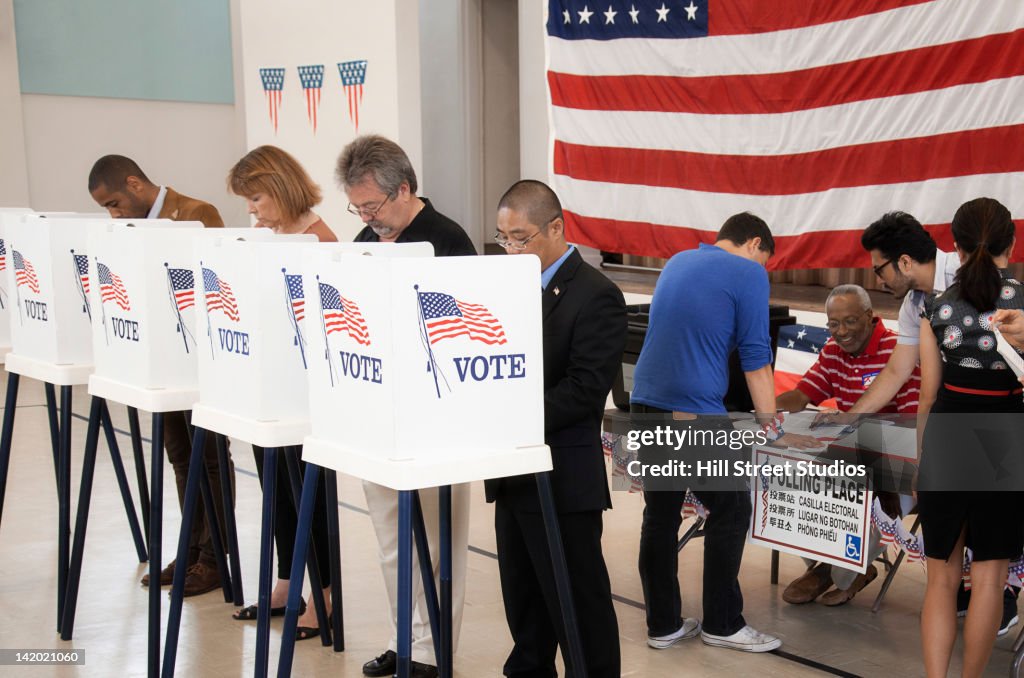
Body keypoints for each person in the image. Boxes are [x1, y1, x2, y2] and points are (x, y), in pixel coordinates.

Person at [630, 213, 819, 653]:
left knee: (660, 515)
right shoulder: (749, 271)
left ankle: (663, 626)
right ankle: (722, 623)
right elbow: (755, 357)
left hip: (644, 398)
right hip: (692, 410)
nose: (763, 271)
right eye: (766, 261)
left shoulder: (678, 260)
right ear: (755, 243)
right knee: (732, 508)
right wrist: (773, 428)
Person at [336, 134, 475, 678]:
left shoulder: (447, 240)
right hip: (379, 415)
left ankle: (432, 652)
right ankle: (405, 639)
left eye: (373, 205)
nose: (367, 217)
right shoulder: (363, 240)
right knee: (392, 540)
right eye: (359, 207)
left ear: (405, 189)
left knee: (439, 547)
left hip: (435, 418)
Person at [838, 212, 1019, 630]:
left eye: (879, 268)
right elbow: (898, 372)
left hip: (997, 431)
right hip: (952, 431)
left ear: (903, 262)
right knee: (949, 561)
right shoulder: (914, 304)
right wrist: (847, 419)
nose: (877, 279)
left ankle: (1001, 593)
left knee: (991, 552)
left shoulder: (973, 271)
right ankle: (971, 591)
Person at [485, 180, 625, 677]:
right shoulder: (508, 288)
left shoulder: (597, 296)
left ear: (556, 228)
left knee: (577, 602)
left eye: (520, 238)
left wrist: (508, 417)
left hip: (562, 476)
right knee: (524, 601)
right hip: (512, 471)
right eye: (503, 238)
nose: (511, 249)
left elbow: (584, 389)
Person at [88, 155, 231, 596]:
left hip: (196, 365)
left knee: (209, 460)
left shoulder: (196, 214)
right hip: (158, 365)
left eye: (114, 203)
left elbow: (212, 285)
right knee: (181, 458)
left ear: (134, 184)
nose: (113, 214)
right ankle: (190, 549)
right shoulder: (129, 230)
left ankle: (214, 558)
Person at [226, 145, 337, 639]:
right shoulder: (263, 237)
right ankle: (289, 579)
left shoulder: (320, 239)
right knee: (278, 492)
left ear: (281, 187)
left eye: (256, 198)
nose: (252, 210)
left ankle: (326, 594)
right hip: (267, 385)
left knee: (312, 497)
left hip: (306, 394)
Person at [917, 197, 1024, 677]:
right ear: (1013, 243)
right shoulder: (1023, 303)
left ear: (954, 248)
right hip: (1006, 436)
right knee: (989, 579)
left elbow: (927, 395)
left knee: (940, 579)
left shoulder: (935, 307)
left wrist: (924, 460)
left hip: (947, 436)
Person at [777, 284, 919, 606]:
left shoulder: (900, 350)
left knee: (859, 497)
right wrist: (763, 408)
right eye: (833, 324)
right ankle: (827, 566)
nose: (841, 332)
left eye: (850, 321)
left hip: (899, 466)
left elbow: (913, 422)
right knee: (794, 481)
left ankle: (839, 569)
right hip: (849, 457)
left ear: (870, 317)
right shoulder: (832, 351)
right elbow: (802, 395)